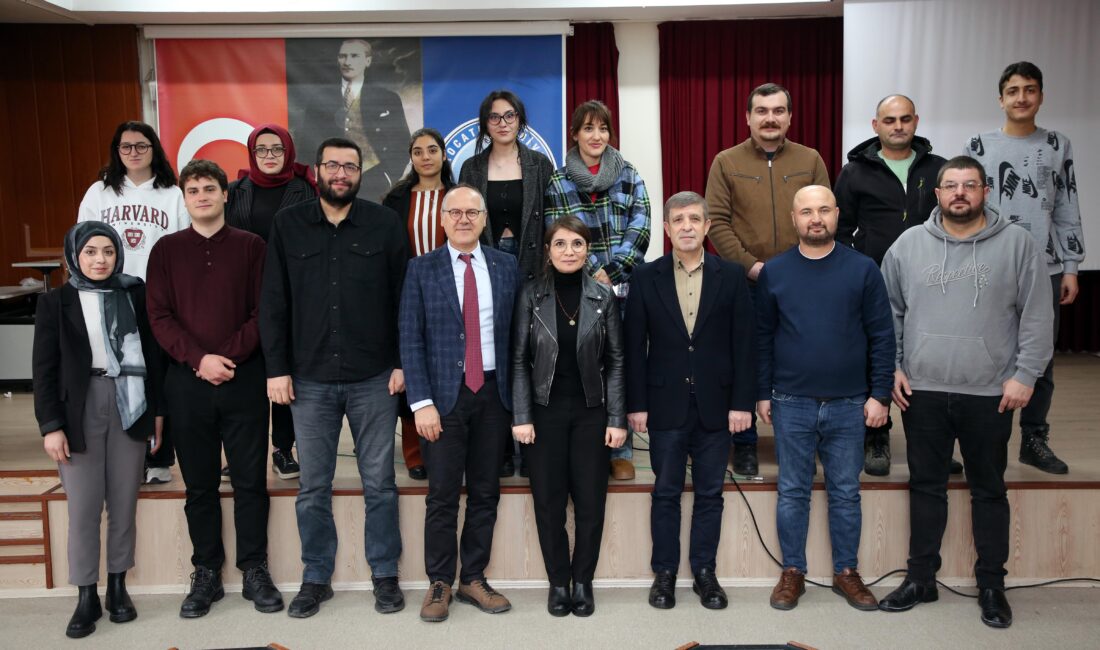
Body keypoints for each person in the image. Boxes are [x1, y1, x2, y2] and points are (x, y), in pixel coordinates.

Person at [879, 156, 1054, 628]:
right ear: (936, 194)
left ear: (986, 191)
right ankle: (921, 579)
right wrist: (892, 366)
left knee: (989, 489)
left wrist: (1026, 374)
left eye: (969, 185)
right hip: (922, 390)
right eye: (950, 185)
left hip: (990, 392)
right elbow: (888, 313)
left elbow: (1038, 316)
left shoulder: (1018, 245)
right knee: (926, 487)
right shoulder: (909, 245)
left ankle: (992, 585)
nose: (960, 193)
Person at [260, 137, 409, 618]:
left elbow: (404, 300)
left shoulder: (385, 224)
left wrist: (404, 363)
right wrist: (277, 368)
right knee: (313, 487)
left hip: (374, 376)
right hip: (309, 378)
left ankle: (385, 574)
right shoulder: (287, 225)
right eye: (332, 165)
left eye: (349, 166)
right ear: (317, 171)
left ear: (360, 172)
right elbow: (274, 303)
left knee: (380, 484)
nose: (340, 173)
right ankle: (315, 577)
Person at [146, 160, 282, 618]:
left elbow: (264, 311)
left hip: (243, 381)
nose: (202, 195)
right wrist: (199, 360)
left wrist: (226, 358)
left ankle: (254, 568)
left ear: (226, 194)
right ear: (184, 199)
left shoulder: (252, 247)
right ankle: (206, 571)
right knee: (199, 486)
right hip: (187, 384)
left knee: (250, 482)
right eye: (193, 190)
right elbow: (160, 317)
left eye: (210, 188)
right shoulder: (165, 251)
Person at [755, 185, 894, 612]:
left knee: (846, 492)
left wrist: (880, 394)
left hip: (850, 403)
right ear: (795, 219)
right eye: (807, 212)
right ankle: (792, 572)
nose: (816, 218)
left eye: (824, 210)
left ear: (837, 215)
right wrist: (762, 394)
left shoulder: (864, 269)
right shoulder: (775, 273)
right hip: (790, 401)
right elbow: (762, 339)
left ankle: (846, 573)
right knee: (793, 491)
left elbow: (883, 336)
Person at [624, 191, 755, 611]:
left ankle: (704, 572)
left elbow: (744, 345)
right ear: (666, 228)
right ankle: (664, 573)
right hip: (664, 405)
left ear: (706, 226)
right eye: (677, 219)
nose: (686, 226)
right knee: (665, 492)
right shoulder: (646, 277)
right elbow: (633, 346)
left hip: (718, 405)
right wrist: (636, 404)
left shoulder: (731, 276)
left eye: (694, 219)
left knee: (710, 493)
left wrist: (742, 404)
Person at [32, 222, 163, 638]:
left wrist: (157, 413)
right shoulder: (55, 302)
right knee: (83, 509)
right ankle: (86, 593)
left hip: (131, 402)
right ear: (74, 255)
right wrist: (51, 426)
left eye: (108, 251)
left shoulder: (134, 293)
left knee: (123, 504)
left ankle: (118, 587)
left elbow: (154, 356)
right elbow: (44, 370)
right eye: (90, 251)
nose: (100, 260)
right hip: (79, 407)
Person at [400, 184, 519, 623]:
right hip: (443, 400)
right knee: (442, 495)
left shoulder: (508, 268)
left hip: (493, 395)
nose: (464, 219)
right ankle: (439, 582)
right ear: (443, 219)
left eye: (473, 212)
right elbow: (410, 339)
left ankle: (473, 577)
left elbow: (518, 339)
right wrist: (422, 403)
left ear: (485, 219)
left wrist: (518, 404)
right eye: (456, 212)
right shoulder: (421, 269)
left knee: (487, 491)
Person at [963, 61, 1084, 475]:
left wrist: (1071, 265)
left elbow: (1067, 206)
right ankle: (980, 436)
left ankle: (1034, 438)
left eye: (1029, 90)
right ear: (1001, 99)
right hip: (989, 266)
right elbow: (966, 208)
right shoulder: (978, 145)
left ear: (1041, 96)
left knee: (1041, 357)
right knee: (981, 353)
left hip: (1045, 268)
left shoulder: (1057, 144)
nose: (1021, 98)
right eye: (1013, 91)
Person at [705, 82, 830, 477]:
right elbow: (718, 224)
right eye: (762, 111)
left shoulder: (810, 159)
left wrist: (801, 268)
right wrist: (751, 266)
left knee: (802, 360)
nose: (770, 118)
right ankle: (743, 443)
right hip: (747, 281)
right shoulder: (726, 161)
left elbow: (822, 215)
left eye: (778, 111)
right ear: (748, 117)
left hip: (804, 281)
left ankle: (802, 439)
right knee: (745, 360)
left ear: (790, 117)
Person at [511, 216, 626, 617]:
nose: (568, 251)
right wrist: (522, 415)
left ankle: (584, 581)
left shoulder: (603, 297)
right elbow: (519, 361)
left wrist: (616, 419)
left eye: (577, 244)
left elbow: (615, 361)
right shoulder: (530, 295)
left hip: (592, 414)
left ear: (587, 249)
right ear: (548, 250)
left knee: (591, 502)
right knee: (549, 503)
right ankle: (558, 582)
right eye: (560, 244)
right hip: (543, 414)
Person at [834, 94, 948, 477]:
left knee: (927, 362)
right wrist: (860, 267)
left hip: (933, 282)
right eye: (889, 120)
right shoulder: (854, 173)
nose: (897, 126)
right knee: (876, 359)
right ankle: (877, 436)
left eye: (904, 119)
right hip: (874, 281)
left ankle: (933, 444)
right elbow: (841, 228)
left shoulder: (938, 169)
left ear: (916, 121)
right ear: (875, 126)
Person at [77, 120, 189, 485]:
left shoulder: (172, 193)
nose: (134, 152)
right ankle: (127, 458)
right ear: (117, 151)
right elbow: (81, 242)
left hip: (157, 294)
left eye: (141, 145)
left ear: (154, 149)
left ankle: (160, 458)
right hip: (112, 294)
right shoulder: (100, 192)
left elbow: (183, 247)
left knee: (159, 375)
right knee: (121, 375)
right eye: (126, 146)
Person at [544, 99, 650, 481]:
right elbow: (559, 233)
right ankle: (590, 449)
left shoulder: (629, 175)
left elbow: (641, 228)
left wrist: (612, 271)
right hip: (577, 292)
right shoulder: (559, 180)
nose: (596, 136)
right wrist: (591, 274)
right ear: (575, 134)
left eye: (603, 128)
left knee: (619, 367)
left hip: (622, 291)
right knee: (584, 368)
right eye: (588, 128)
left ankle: (620, 450)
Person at [461, 89, 555, 478]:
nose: (503, 123)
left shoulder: (538, 165)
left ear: (521, 121)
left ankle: (531, 446)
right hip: (487, 269)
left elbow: (552, 219)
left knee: (532, 355)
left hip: (531, 267)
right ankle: (499, 445)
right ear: (485, 124)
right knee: (495, 353)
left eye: (510, 115)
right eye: (495, 117)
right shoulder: (471, 167)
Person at [226, 123, 317, 481]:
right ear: (251, 152)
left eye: (276, 149)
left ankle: (283, 449)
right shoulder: (235, 191)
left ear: (288, 152)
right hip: (241, 294)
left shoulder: (307, 191)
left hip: (290, 294)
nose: (268, 156)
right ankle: (241, 454)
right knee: (246, 377)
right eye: (261, 149)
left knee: (283, 372)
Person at [383, 127, 457, 481]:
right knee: (413, 368)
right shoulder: (396, 198)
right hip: (408, 294)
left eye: (432, 150)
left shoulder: (460, 195)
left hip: (455, 294)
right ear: (410, 158)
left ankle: (451, 443)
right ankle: (415, 452)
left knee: (451, 369)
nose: (425, 157)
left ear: (443, 154)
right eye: (417, 151)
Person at [295, 38, 411, 201]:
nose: (347, 61)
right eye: (343, 56)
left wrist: (388, 176)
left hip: (374, 180)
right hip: (329, 182)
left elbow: (402, 143)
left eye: (354, 56)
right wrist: (315, 181)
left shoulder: (387, 98)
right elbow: (306, 146)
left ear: (368, 60)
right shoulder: (318, 99)